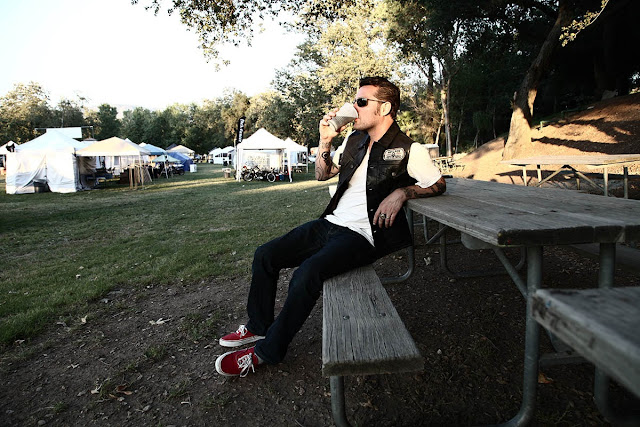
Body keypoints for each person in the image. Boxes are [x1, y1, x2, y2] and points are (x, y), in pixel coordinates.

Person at [215, 76, 446, 377]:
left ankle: (267, 351)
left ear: (385, 108)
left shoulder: (408, 149)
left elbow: (438, 184)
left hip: (363, 234)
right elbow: (322, 174)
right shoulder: (354, 140)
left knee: (307, 273)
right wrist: (325, 140)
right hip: (330, 222)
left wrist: (403, 192)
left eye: (361, 102)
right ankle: (259, 326)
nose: (354, 107)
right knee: (265, 255)